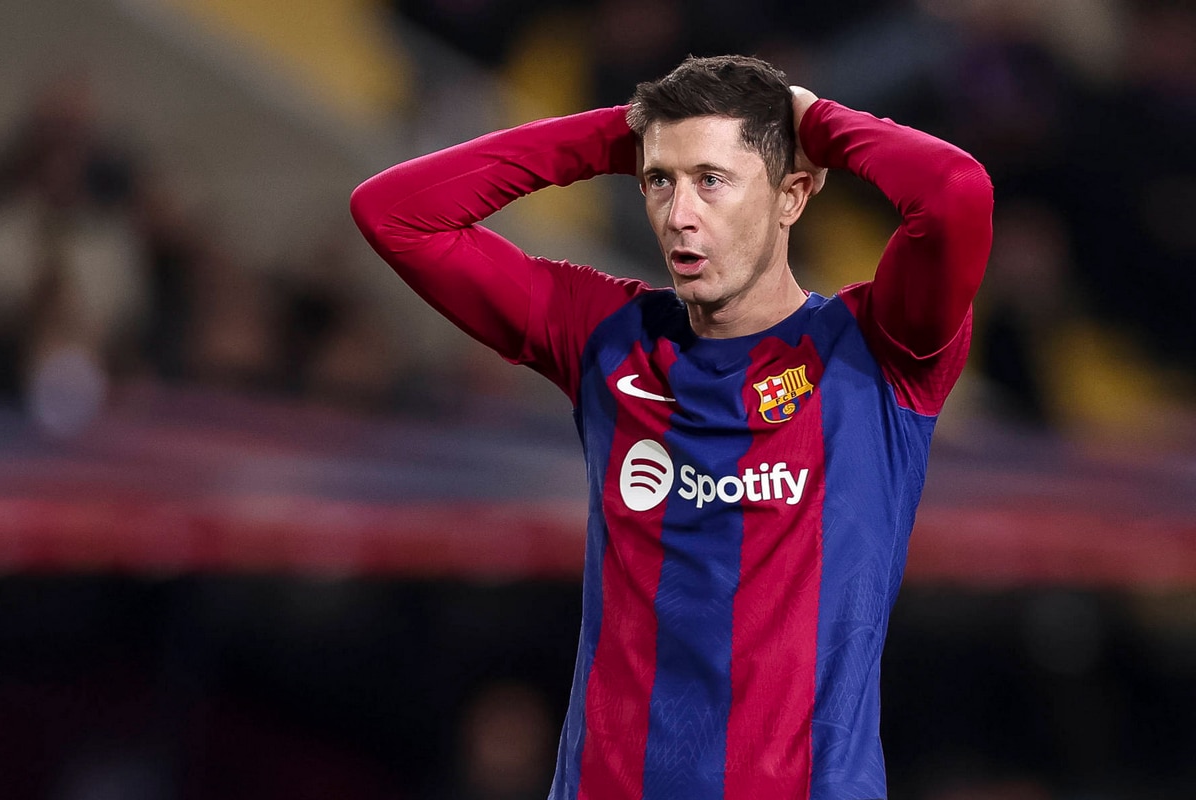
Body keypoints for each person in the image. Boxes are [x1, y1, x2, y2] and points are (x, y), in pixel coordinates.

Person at [352, 54, 992, 800]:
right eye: (660, 181)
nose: (680, 214)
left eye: (711, 180)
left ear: (792, 194)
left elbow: (954, 191)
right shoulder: (604, 334)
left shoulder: (878, 349)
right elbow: (393, 214)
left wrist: (818, 122)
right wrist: (616, 137)